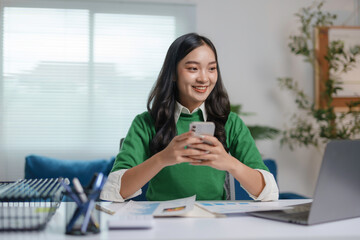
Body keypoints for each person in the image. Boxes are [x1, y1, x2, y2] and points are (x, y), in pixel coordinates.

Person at [100, 33, 279, 202]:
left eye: (212, 68)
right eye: (193, 68)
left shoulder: (230, 123)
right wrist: (163, 158)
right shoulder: (145, 123)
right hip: (162, 223)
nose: (204, 78)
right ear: (173, 73)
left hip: (214, 222)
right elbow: (115, 192)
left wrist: (230, 163)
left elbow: (269, 192)